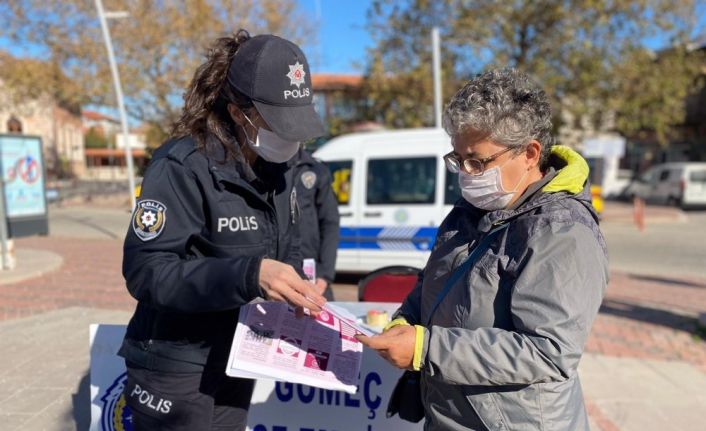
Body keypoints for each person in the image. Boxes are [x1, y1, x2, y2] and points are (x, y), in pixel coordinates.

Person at [357, 68, 608, 430]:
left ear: (530, 153)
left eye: (477, 162)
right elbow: (434, 283)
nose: (465, 174)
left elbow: (548, 352)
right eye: (458, 160)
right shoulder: (469, 210)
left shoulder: (564, 232)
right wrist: (404, 320)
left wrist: (424, 349)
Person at [118, 30, 327, 431]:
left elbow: (284, 245)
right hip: (177, 366)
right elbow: (147, 272)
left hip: (239, 356)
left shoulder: (280, 170)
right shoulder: (181, 166)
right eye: (279, 123)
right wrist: (250, 275)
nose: (291, 138)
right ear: (237, 112)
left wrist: (297, 284)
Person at [289, 146, 340, 299]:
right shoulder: (264, 165)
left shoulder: (316, 170)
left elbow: (330, 223)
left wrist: (325, 275)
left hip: (311, 268)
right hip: (278, 267)